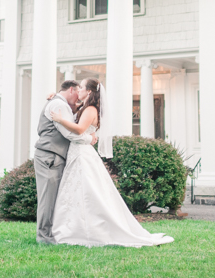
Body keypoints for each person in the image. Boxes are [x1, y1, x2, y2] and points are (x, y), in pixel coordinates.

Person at [49, 78, 174, 247]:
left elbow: (78, 130)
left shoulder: (90, 109)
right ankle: (73, 227)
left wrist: (59, 119)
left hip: (81, 154)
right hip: (79, 152)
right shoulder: (85, 108)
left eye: (82, 88)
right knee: (78, 191)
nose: (78, 90)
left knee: (86, 191)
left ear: (90, 92)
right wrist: (55, 96)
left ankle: (83, 230)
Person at [33, 80, 98, 244]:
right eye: (78, 91)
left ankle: (53, 233)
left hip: (55, 156)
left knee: (57, 198)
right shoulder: (58, 105)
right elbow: (70, 134)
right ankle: (44, 237)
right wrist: (90, 138)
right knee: (48, 197)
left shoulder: (63, 104)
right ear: (71, 90)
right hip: (50, 156)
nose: (79, 96)